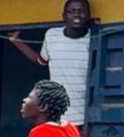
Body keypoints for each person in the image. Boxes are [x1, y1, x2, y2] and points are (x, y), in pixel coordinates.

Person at [10, 0, 93, 128]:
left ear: (88, 15)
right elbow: (40, 61)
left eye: (81, 11)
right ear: (64, 16)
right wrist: (17, 42)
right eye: (72, 11)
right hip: (57, 116)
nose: (77, 15)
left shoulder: (93, 39)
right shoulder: (52, 35)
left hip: (85, 116)